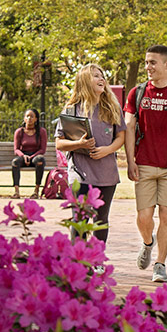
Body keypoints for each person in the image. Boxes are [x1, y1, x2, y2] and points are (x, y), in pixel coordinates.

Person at [124, 45, 167, 283]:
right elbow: (129, 127)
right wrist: (130, 160)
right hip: (143, 163)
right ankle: (147, 242)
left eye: (153, 62)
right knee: (144, 216)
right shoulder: (138, 93)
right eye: (146, 62)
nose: (148, 67)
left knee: (166, 214)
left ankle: (160, 264)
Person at [55, 63, 126, 243]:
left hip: (106, 174)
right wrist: (78, 144)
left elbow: (121, 137)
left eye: (102, 75)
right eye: (95, 75)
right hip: (80, 175)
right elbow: (59, 143)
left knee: (101, 221)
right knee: (79, 221)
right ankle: (78, 263)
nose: (101, 79)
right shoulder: (71, 110)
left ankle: (97, 260)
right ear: (85, 81)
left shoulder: (112, 108)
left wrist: (107, 150)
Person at [11, 108, 48, 199]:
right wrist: (23, 156)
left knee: (40, 160)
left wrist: (31, 157)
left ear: (36, 119)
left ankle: (36, 191)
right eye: (27, 116)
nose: (29, 118)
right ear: (24, 118)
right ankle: (16, 191)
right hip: (23, 156)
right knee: (15, 162)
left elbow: (42, 150)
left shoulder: (42, 131)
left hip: (35, 156)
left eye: (32, 116)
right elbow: (16, 149)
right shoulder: (19, 132)